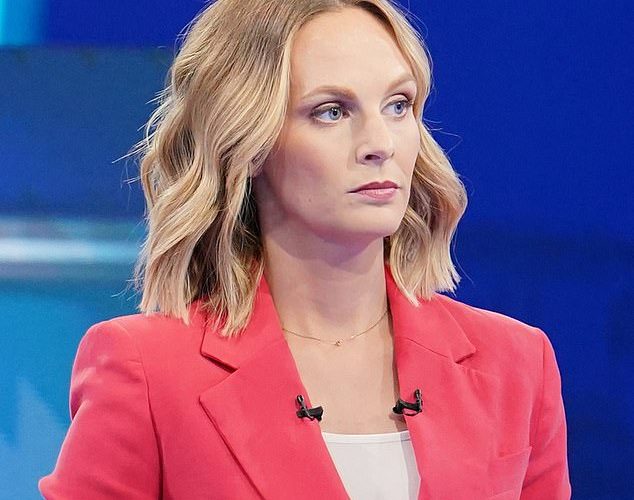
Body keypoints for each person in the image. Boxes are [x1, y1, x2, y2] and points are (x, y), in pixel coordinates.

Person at [39, 0, 571, 498]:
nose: (380, 144)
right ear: (249, 144)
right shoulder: (147, 372)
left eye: (398, 105)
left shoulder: (517, 365)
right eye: (331, 111)